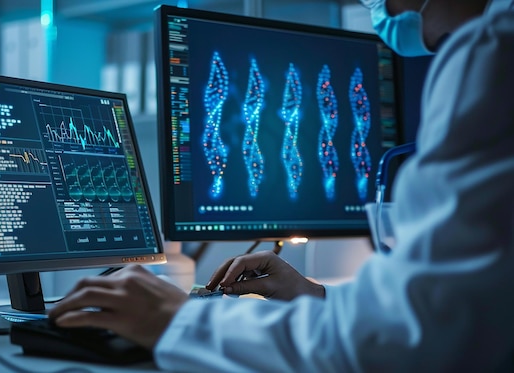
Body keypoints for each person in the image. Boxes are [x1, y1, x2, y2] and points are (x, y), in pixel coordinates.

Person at [49, 0, 514, 370]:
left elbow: (413, 340)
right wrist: (315, 295)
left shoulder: (494, 54)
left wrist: (177, 320)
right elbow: (470, 303)